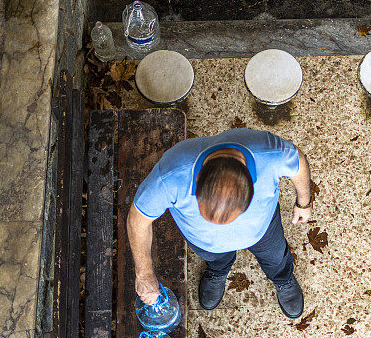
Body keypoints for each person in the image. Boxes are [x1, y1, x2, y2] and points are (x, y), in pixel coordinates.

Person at [126, 128, 311, 319]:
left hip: (264, 230)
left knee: (276, 257)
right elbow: (137, 219)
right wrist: (144, 273)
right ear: (197, 179)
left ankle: (283, 277)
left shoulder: (271, 154)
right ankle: (218, 271)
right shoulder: (171, 174)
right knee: (216, 259)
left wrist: (304, 202)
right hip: (205, 243)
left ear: (251, 182)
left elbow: (298, 162)